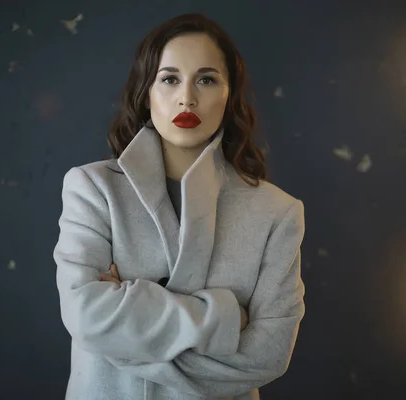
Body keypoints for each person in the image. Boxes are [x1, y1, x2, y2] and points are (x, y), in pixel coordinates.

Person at [53, 13, 305, 400]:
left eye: (206, 79)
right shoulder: (93, 188)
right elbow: (87, 318)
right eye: (170, 78)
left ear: (229, 93)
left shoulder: (277, 212)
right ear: (146, 91)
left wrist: (126, 331)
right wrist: (226, 318)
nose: (187, 96)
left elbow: (268, 356)